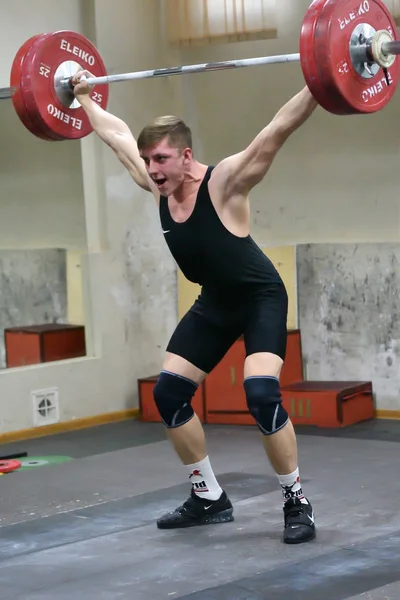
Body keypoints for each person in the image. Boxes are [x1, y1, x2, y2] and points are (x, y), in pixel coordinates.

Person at [73, 70, 318, 545]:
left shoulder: (224, 183)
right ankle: (208, 497)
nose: (152, 168)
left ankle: (296, 500)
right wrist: (83, 98)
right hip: (216, 304)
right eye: (148, 160)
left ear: (186, 155)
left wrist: (321, 83)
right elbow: (116, 134)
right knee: (168, 394)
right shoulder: (157, 184)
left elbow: (278, 129)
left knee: (262, 395)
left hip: (260, 299)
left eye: (161, 158)